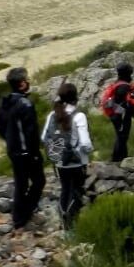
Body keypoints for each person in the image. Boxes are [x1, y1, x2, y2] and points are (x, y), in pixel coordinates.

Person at [0, 68, 45, 230]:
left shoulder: (4, 103)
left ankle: (18, 217)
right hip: (27, 152)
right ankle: (24, 213)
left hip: (13, 150)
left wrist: (11, 141)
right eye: (26, 79)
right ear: (22, 84)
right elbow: (31, 132)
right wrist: (34, 153)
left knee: (20, 183)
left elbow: (0, 128)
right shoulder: (25, 104)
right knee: (39, 181)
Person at [41, 82, 92, 229]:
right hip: (77, 162)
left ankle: (64, 222)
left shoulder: (53, 114)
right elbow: (85, 143)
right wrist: (88, 152)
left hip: (59, 162)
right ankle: (72, 224)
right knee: (77, 192)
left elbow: (44, 137)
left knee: (65, 189)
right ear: (75, 97)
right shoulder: (79, 116)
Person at [101, 63, 133, 162]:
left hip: (115, 115)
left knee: (120, 136)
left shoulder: (117, 83)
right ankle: (120, 160)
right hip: (121, 116)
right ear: (127, 73)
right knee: (122, 137)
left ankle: (118, 159)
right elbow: (125, 103)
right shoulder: (124, 87)